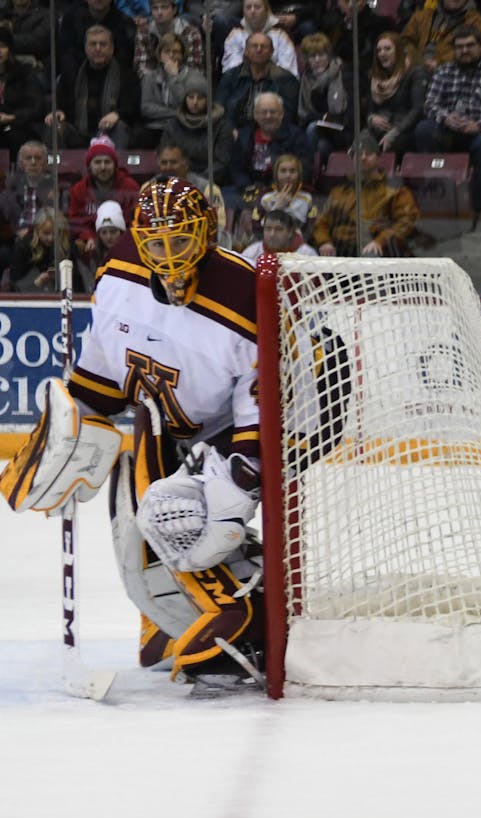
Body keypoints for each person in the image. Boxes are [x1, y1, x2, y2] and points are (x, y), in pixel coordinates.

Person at [0, 177, 265, 682]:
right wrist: (60, 434)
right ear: (139, 240)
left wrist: (240, 475)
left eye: (181, 240)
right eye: (156, 243)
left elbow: (259, 398)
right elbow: (105, 379)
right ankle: (166, 618)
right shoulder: (119, 275)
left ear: (207, 233)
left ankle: (241, 614)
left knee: (173, 513)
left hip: (232, 430)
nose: (169, 256)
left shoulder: (241, 292)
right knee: (132, 519)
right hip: (165, 420)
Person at [414, 24, 481, 228]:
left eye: (470, 45)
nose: (465, 51)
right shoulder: (444, 71)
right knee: (424, 130)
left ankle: (480, 205)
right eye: (460, 47)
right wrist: (446, 118)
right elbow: (429, 104)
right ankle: (439, 193)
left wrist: (480, 125)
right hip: (449, 130)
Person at [312, 132, 419, 257]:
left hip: (377, 250)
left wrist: (380, 241)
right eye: (359, 154)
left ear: (378, 158)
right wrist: (324, 242)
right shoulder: (339, 192)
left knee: (371, 255)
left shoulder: (395, 191)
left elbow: (406, 221)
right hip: (340, 250)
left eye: (368, 154)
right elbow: (321, 222)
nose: (363, 157)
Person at [47, 25, 143, 149]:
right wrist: (58, 111)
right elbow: (60, 102)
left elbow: (133, 107)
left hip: (110, 132)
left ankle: (114, 166)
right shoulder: (72, 72)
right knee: (55, 125)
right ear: (86, 48)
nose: (98, 49)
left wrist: (118, 114)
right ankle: (57, 168)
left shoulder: (126, 74)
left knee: (120, 126)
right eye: (93, 44)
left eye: (103, 44)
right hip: (77, 133)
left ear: (112, 48)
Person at [68, 136, 141, 258]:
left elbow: (137, 220)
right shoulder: (79, 190)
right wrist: (88, 237)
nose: (103, 167)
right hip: (92, 243)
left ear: (115, 164)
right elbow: (76, 221)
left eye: (107, 162)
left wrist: (122, 239)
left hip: (124, 242)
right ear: (89, 165)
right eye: (97, 162)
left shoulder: (130, 187)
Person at [161, 75, 235, 186]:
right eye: (191, 97)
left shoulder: (222, 126)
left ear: (208, 100)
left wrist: (197, 182)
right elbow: (167, 155)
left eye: (200, 98)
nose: (195, 102)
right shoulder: (173, 125)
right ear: (185, 99)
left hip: (211, 183)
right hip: (178, 179)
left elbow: (221, 163)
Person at [363, 31, 428, 157]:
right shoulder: (375, 78)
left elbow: (417, 109)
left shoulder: (415, 73)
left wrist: (394, 132)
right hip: (378, 130)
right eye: (379, 50)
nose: (382, 53)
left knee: (388, 147)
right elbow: (370, 110)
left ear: (398, 51)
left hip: (404, 130)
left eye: (387, 49)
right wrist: (371, 119)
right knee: (358, 146)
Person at [296, 31, 352, 163]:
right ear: (306, 59)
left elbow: (348, 110)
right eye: (312, 56)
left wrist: (326, 119)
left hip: (341, 130)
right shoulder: (305, 79)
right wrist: (322, 118)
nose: (317, 60)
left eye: (321, 55)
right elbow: (304, 114)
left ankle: (306, 168)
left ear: (329, 55)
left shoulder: (342, 73)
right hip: (319, 132)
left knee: (312, 130)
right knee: (319, 143)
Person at [7, 207, 86, 294]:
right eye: (46, 233)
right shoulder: (24, 247)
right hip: (32, 299)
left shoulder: (67, 246)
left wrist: (63, 277)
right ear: (37, 230)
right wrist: (36, 282)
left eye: (56, 233)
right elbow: (14, 283)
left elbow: (79, 283)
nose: (51, 238)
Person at [138, 32, 196, 149]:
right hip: (155, 128)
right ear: (159, 55)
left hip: (182, 126)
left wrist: (174, 77)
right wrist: (177, 113)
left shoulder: (192, 77)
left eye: (176, 52)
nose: (171, 56)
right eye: (167, 51)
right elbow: (146, 108)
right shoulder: (150, 77)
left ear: (183, 55)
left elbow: (188, 107)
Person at [221, 0, 300, 75]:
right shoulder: (235, 36)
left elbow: (289, 72)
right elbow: (230, 71)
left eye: (257, 7)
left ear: (266, 11)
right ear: (243, 12)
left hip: (275, 86)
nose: (252, 11)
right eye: (248, 7)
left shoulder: (280, 37)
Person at [0, 27, 44, 157]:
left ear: (10, 50)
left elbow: (37, 107)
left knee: (15, 136)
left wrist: (13, 117)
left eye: (2, 46)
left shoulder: (24, 73)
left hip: (18, 127)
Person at [239, 206, 316, 262]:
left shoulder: (308, 254)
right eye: (268, 229)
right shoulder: (251, 253)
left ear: (290, 232)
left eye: (279, 229)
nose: (272, 234)